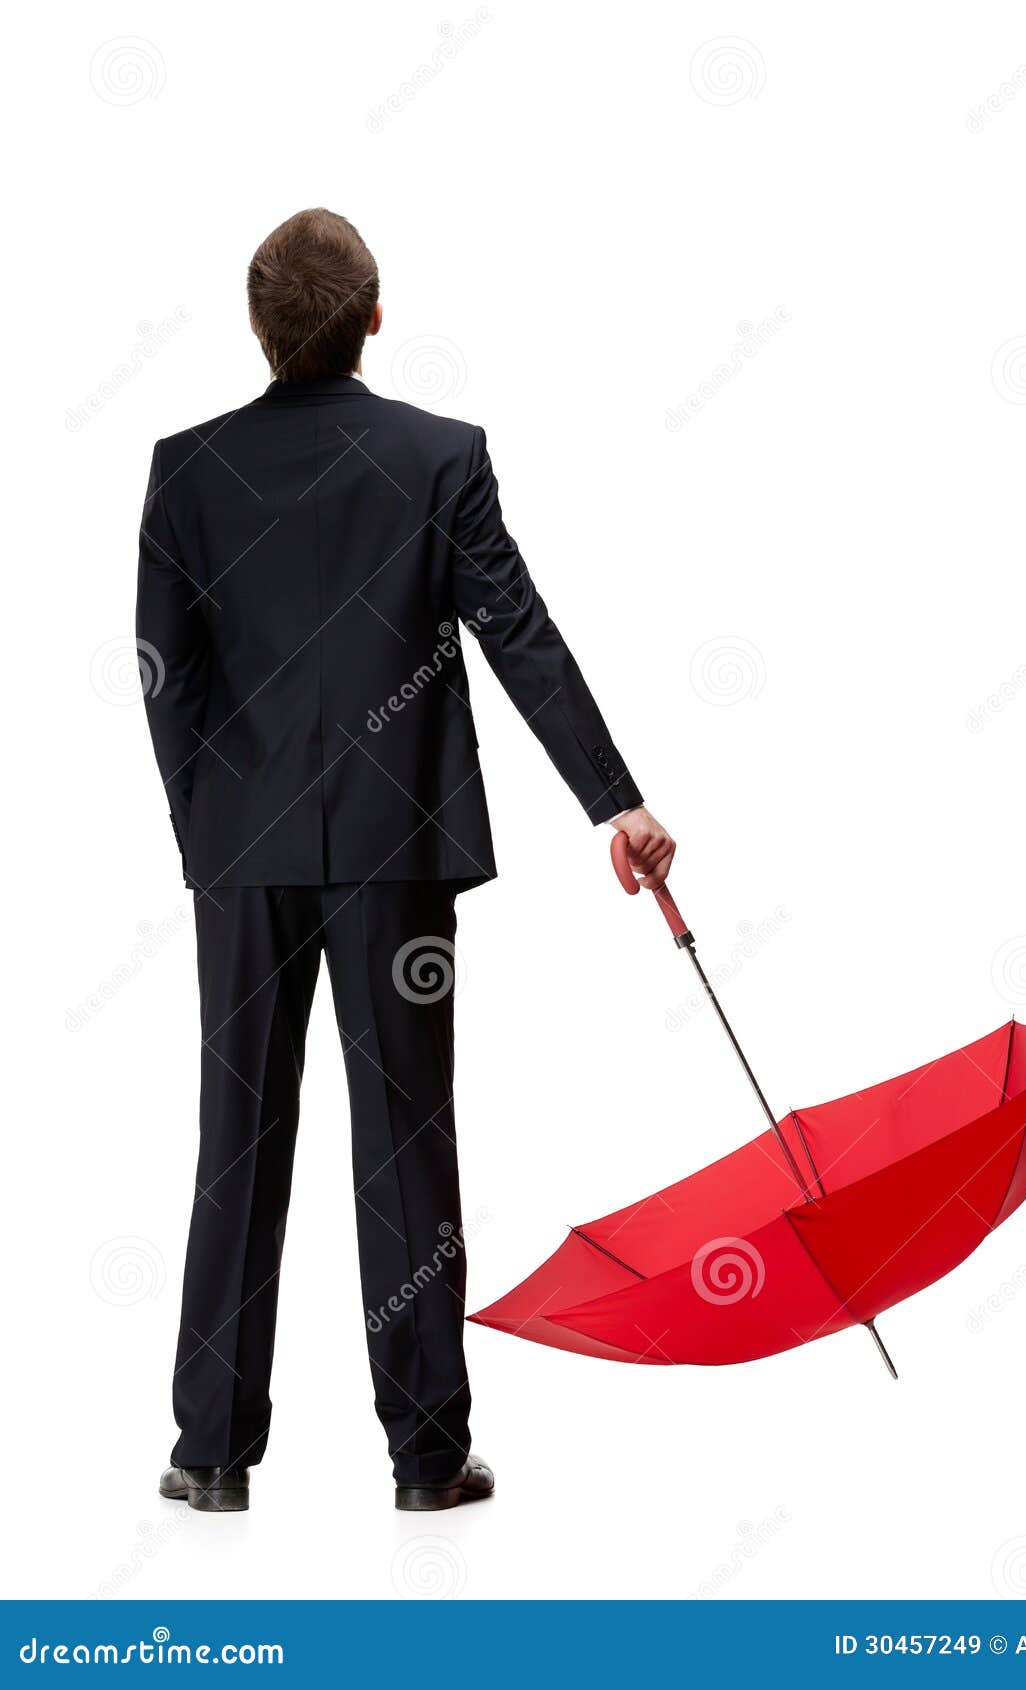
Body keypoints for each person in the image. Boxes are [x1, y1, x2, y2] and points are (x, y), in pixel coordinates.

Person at [137, 208, 675, 1513]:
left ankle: (210, 1452)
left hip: (246, 851)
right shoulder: (435, 457)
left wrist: (207, 831)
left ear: (259, 327)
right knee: (406, 1142)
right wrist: (616, 802)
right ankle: (428, 1458)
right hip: (397, 851)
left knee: (237, 1140)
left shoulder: (188, 468)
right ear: (373, 317)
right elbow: (520, 635)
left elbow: (166, 677)